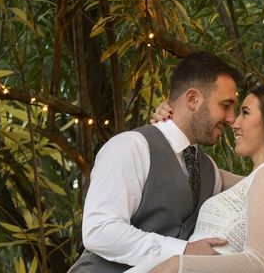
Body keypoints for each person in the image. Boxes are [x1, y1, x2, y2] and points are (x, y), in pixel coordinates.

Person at [68, 51, 244, 272]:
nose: (231, 118)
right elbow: (100, 230)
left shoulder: (209, 171)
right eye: (226, 105)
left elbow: (260, 185)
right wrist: (183, 250)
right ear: (193, 99)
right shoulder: (130, 147)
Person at [143, 77, 264, 273]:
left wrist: (177, 264)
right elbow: (190, 166)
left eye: (245, 113)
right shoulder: (257, 181)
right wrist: (171, 124)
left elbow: (256, 263)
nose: (235, 122)